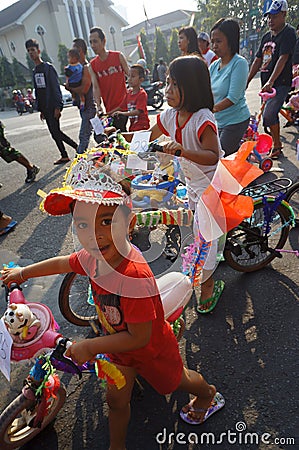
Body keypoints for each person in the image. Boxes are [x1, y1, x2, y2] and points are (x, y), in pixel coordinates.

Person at [1, 156, 225, 449]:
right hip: (119, 350)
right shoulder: (92, 257)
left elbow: (139, 336)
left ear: (128, 223)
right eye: (82, 223)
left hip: (151, 349)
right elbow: (62, 263)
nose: (94, 234)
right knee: (116, 401)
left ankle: (207, 393)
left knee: (176, 382)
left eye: (106, 222)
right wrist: (23, 272)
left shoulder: (134, 276)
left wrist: (90, 346)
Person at [124, 55, 225, 314]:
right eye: (167, 83)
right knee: (193, 230)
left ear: (191, 87)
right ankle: (204, 270)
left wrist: (180, 151)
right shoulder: (170, 115)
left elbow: (213, 155)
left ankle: (208, 287)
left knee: (205, 240)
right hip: (192, 184)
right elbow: (147, 138)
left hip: (211, 187)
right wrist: (119, 145)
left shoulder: (202, 118)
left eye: (174, 85)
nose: (167, 90)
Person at [246, 0, 296, 159]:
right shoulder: (266, 36)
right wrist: (246, 81)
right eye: (268, 17)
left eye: (274, 16)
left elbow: (283, 58)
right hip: (266, 84)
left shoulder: (288, 33)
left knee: (268, 114)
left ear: (284, 14)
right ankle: (285, 121)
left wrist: (271, 81)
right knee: (265, 115)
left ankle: (277, 146)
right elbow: (258, 60)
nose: (270, 20)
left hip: (279, 83)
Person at [25, 38, 78, 165]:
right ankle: (64, 155)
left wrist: (58, 107)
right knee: (54, 133)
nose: (31, 53)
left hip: (52, 105)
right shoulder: (34, 71)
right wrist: (40, 109)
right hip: (45, 107)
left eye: (33, 50)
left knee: (56, 132)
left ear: (38, 51)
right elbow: (38, 91)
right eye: (28, 51)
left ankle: (77, 147)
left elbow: (55, 88)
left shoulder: (47, 68)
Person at [209, 18, 250, 156]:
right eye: (212, 42)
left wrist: (211, 109)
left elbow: (233, 98)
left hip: (236, 121)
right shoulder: (214, 66)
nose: (214, 46)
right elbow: (205, 91)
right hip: (218, 121)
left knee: (219, 157)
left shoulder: (239, 63)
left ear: (231, 40)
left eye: (218, 41)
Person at [89, 27, 130, 131]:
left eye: (95, 41)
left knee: (119, 133)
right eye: (90, 42)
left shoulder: (118, 56)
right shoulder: (92, 65)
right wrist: (98, 106)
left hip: (123, 107)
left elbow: (130, 75)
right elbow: (96, 87)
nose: (93, 45)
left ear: (104, 41)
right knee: (115, 137)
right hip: (109, 109)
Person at [68, 38, 97, 154]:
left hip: (90, 107)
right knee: (99, 135)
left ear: (80, 51)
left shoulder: (86, 67)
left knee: (83, 137)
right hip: (84, 108)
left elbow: (84, 89)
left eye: (74, 49)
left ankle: (78, 167)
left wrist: (70, 87)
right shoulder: (76, 68)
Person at [111, 64, 150, 132]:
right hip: (132, 127)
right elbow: (121, 107)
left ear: (141, 80)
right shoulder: (128, 93)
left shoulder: (142, 94)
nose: (129, 79)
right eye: (129, 76)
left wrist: (122, 113)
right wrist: (109, 113)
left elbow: (138, 111)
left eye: (133, 76)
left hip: (142, 127)